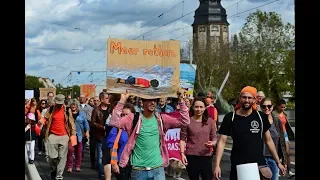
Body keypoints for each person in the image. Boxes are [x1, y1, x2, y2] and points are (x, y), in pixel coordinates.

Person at [109, 90, 190, 180]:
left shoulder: (161, 119)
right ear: (142, 102)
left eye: (155, 100)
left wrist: (181, 101)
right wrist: (122, 100)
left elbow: (185, 122)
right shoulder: (133, 118)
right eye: (149, 100)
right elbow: (114, 122)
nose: (153, 102)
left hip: (158, 169)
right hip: (138, 170)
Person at [213, 86, 286, 180]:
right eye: (244, 97)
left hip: (259, 165)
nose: (246, 100)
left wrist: (278, 162)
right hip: (238, 164)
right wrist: (217, 165)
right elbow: (222, 142)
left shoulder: (261, 117)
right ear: (239, 98)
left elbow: (268, 141)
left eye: (249, 98)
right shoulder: (230, 117)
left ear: (254, 100)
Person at [180, 97, 217, 180]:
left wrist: (213, 143)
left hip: (206, 156)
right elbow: (182, 138)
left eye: (201, 107)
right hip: (191, 156)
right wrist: (182, 153)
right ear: (193, 107)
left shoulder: (210, 121)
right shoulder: (187, 121)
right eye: (196, 107)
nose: (199, 109)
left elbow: (214, 137)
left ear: (204, 108)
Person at [42, 94, 76, 180]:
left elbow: (71, 123)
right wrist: (40, 123)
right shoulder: (51, 109)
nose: (59, 104)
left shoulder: (67, 110)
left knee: (62, 157)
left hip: (64, 136)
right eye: (58, 102)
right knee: (52, 157)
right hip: (52, 135)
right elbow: (45, 118)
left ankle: (59, 176)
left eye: (61, 103)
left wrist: (73, 135)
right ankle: (53, 170)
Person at [261, 98, 288, 180]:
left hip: (274, 159)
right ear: (261, 107)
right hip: (260, 160)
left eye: (269, 106)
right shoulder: (257, 120)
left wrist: (284, 162)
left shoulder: (277, 121)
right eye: (264, 106)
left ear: (272, 107)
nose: (266, 108)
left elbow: (282, 142)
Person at [108, 103, 136, 180]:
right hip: (121, 165)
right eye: (122, 115)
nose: (124, 117)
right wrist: (114, 164)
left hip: (136, 164)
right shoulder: (116, 129)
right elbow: (112, 147)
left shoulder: (137, 128)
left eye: (127, 115)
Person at [66, 102, 90, 173]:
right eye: (72, 105)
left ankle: (77, 166)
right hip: (71, 135)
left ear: (77, 106)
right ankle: (70, 166)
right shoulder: (67, 114)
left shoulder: (81, 114)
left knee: (79, 151)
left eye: (75, 105)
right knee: (70, 150)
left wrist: (87, 131)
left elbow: (86, 123)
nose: (73, 106)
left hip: (79, 135)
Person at [274, 99, 295, 177]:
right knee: (278, 153)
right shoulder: (274, 114)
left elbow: (287, 125)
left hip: (285, 134)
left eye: (284, 107)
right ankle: (278, 171)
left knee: (287, 153)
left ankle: (289, 171)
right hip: (278, 134)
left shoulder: (285, 114)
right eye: (281, 107)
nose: (283, 108)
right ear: (278, 106)